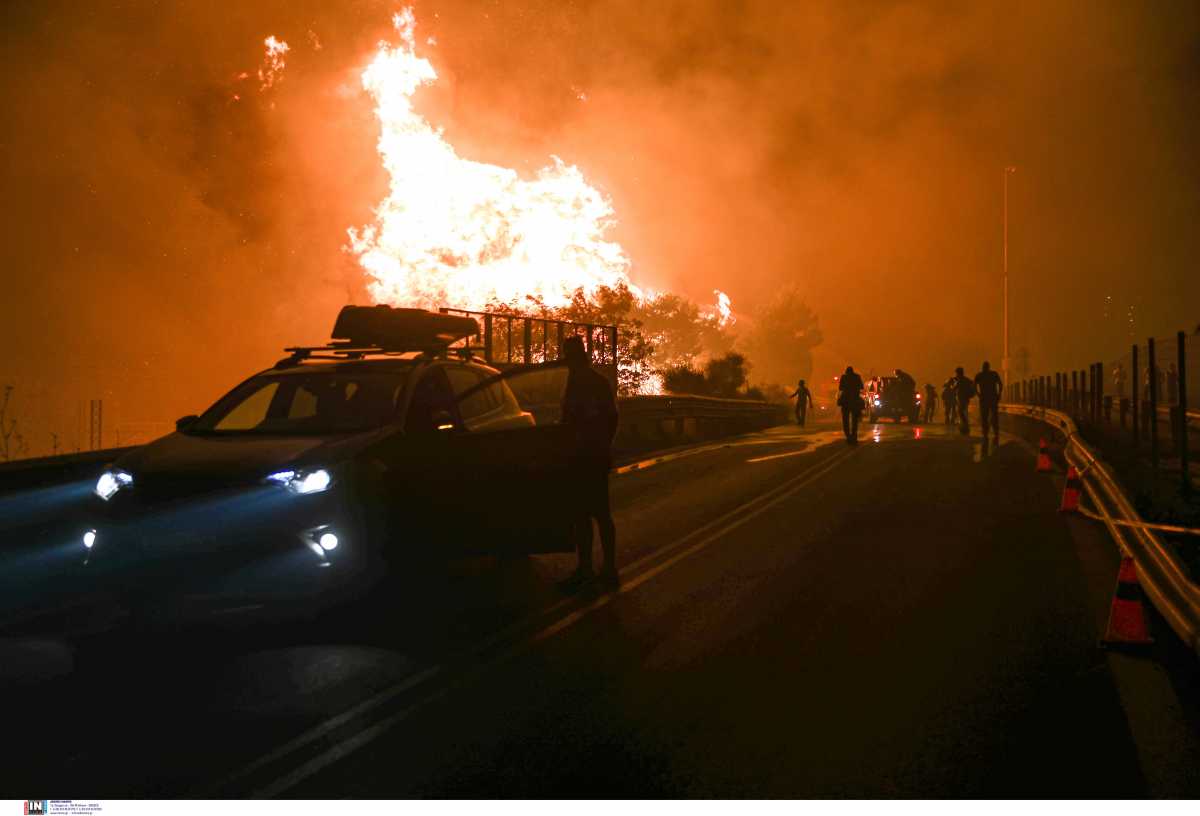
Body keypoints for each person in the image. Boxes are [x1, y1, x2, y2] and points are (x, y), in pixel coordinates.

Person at [559, 335, 619, 591]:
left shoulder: (585, 382)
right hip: (589, 456)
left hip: (587, 458)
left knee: (590, 515)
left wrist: (594, 445)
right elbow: (611, 418)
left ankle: (595, 570)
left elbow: (607, 417)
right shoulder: (590, 381)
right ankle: (601, 569)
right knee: (592, 514)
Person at [974, 360, 1003, 445]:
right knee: (994, 415)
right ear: (989, 367)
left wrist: (978, 394)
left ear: (983, 367)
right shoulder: (993, 374)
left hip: (984, 398)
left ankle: (985, 432)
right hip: (993, 397)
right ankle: (995, 432)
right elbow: (1000, 384)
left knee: (984, 416)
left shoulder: (979, 375)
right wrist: (999, 394)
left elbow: (974, 385)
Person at [837, 366, 865, 443]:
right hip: (855, 400)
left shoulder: (844, 377)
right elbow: (861, 387)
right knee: (855, 420)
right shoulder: (857, 377)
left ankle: (848, 435)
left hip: (845, 401)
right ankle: (854, 435)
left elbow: (840, 388)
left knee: (845, 420)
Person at [952, 366, 975, 435]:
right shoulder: (966, 380)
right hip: (966, 399)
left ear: (958, 373)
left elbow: (954, 388)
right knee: (964, 412)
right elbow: (972, 383)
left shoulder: (959, 380)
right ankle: (964, 426)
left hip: (961, 399)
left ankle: (965, 424)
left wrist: (953, 384)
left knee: (960, 412)